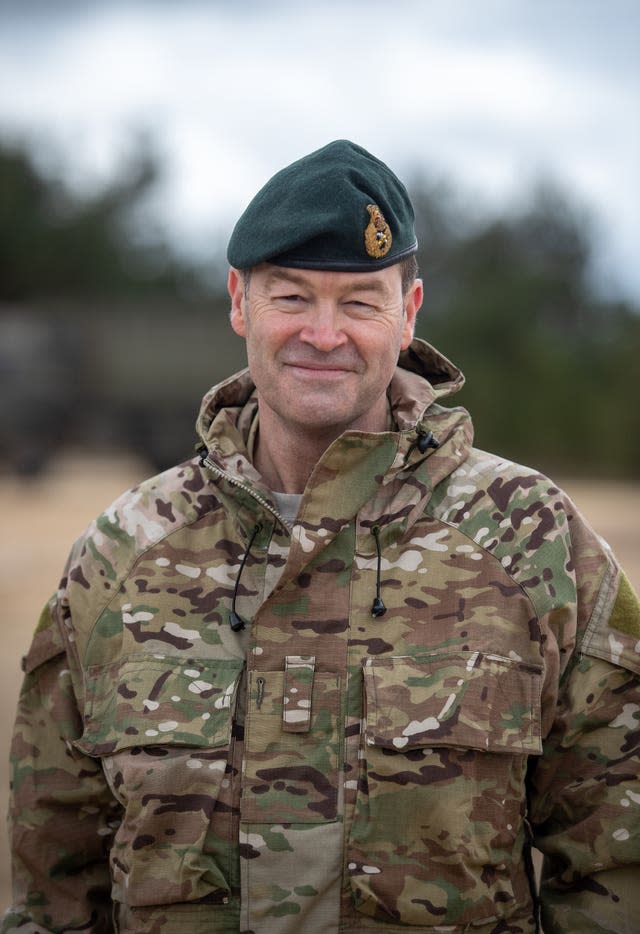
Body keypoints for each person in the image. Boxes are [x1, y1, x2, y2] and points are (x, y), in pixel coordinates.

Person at [2, 140, 639, 934]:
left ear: (407, 316)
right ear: (240, 302)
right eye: (292, 296)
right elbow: (52, 882)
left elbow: (616, 865)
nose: (324, 334)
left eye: (361, 302)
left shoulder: (532, 540)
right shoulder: (122, 554)